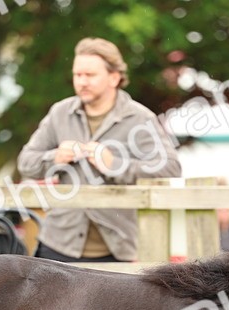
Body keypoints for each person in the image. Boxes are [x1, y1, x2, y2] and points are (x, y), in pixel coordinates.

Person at [17, 37, 181, 263]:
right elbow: (25, 162)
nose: (81, 82)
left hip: (116, 249)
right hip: (57, 244)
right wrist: (54, 157)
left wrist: (115, 164)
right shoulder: (59, 112)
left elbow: (170, 168)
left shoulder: (140, 118)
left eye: (90, 75)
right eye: (77, 75)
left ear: (114, 77)